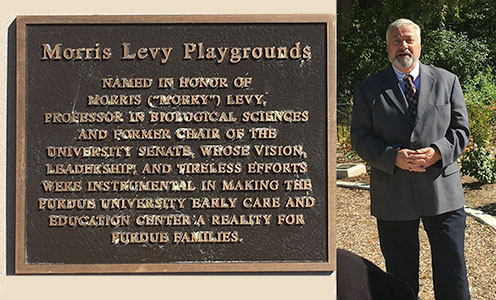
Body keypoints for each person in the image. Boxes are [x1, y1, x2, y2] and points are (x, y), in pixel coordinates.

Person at [351, 18, 471, 299]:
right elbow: (360, 137)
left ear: (419, 45)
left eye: (408, 40)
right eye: (396, 40)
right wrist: (393, 157)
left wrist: (438, 151)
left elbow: (461, 129)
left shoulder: (447, 81)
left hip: (443, 192)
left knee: (453, 271)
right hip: (394, 196)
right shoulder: (368, 89)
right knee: (400, 277)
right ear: (387, 47)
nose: (403, 45)